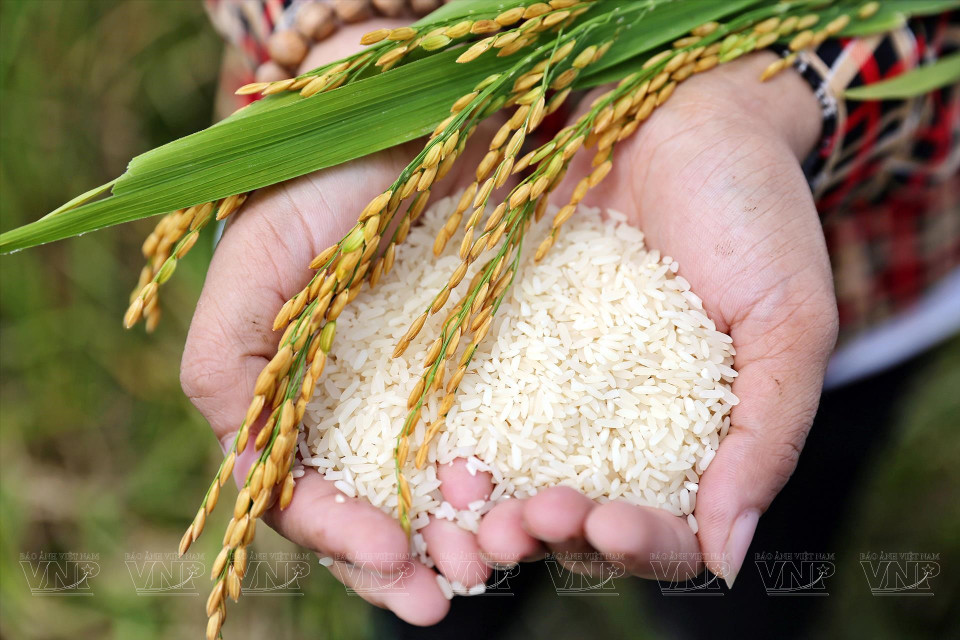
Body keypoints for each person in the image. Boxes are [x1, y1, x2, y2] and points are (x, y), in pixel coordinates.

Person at [186, 1, 959, 636]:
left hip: (863, 274)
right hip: (418, 127)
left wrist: (774, 94)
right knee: (433, 579)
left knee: (748, 583)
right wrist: (352, 58)